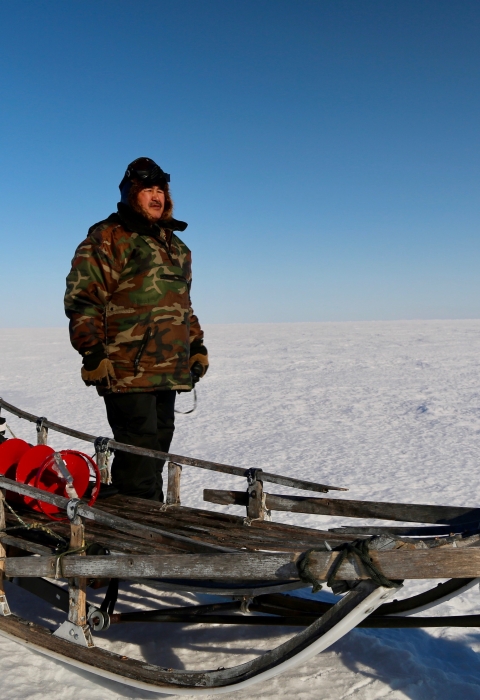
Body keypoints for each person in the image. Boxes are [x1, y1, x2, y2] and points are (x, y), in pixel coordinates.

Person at [64, 157, 208, 500]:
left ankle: (141, 519)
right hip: (127, 369)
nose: (156, 197)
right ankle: (134, 537)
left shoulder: (176, 247)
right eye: (148, 190)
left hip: (168, 369)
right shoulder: (108, 237)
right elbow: (84, 298)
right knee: (139, 457)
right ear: (131, 194)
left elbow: (181, 305)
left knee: (156, 453)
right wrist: (92, 352)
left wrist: (196, 345)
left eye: (161, 191)